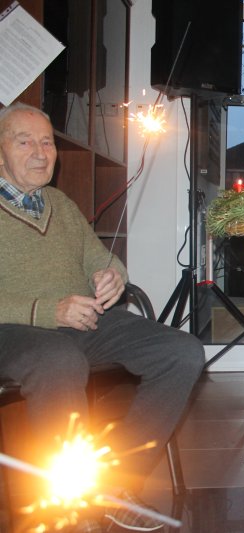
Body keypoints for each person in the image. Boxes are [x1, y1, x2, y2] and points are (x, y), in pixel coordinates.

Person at [0, 103, 205, 532]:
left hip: (80, 322)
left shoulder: (59, 203)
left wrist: (112, 274)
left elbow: (99, 255)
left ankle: (113, 483)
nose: (40, 153)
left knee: (182, 351)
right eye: (25, 142)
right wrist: (47, 310)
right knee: (60, 361)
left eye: (47, 142)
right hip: (13, 330)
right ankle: (69, 509)